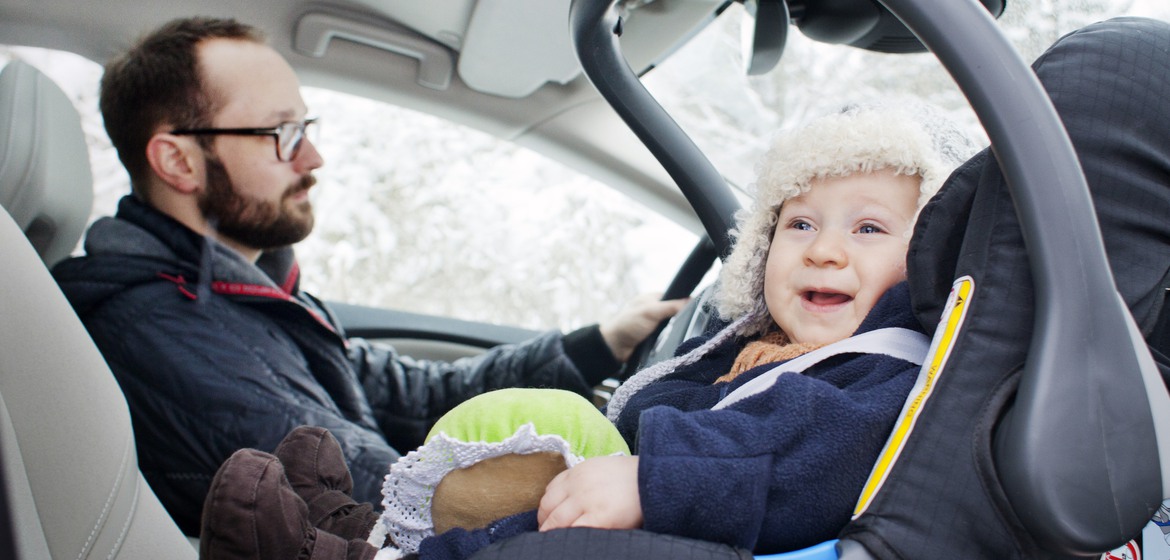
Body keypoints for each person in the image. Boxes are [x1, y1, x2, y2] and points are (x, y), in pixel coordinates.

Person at [195, 100, 976, 560]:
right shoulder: (763, 351)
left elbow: (801, 460)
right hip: (682, 516)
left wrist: (652, 477)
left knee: (548, 544)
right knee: (540, 522)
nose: (825, 248)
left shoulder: (885, 374)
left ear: (931, 260)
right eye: (799, 223)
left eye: (870, 229)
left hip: (718, 530)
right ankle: (370, 542)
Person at [49, 16, 685, 537]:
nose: (314, 157)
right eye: (282, 133)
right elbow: (374, 492)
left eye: (307, 128)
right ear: (178, 161)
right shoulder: (160, 329)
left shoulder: (243, 294)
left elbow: (417, 397)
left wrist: (601, 342)